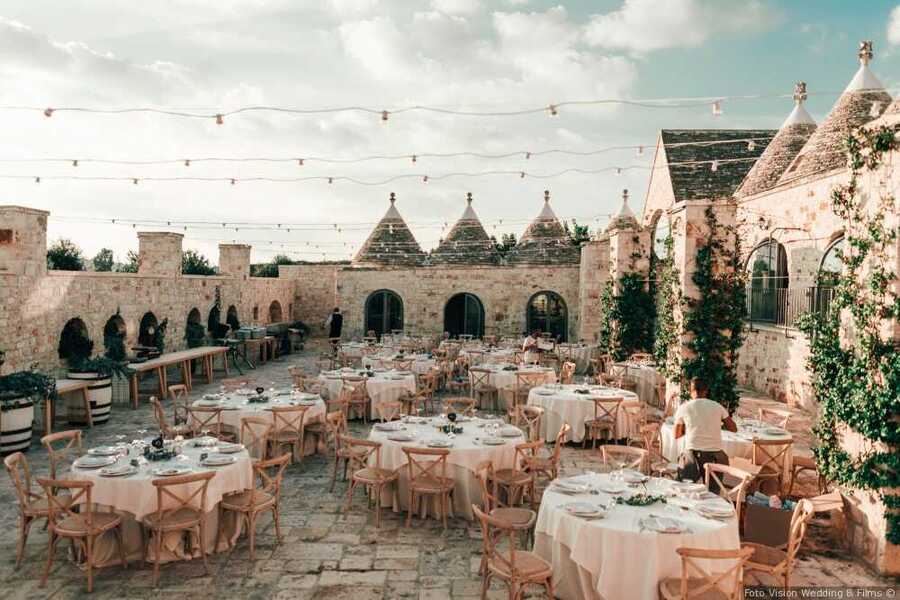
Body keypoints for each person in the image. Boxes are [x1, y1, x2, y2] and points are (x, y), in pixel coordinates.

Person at [673, 379, 737, 489]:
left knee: (685, 488)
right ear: (706, 391)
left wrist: (690, 429)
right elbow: (733, 428)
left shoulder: (684, 407)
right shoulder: (717, 406)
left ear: (690, 391)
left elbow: (676, 435)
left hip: (692, 456)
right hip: (716, 456)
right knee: (713, 491)